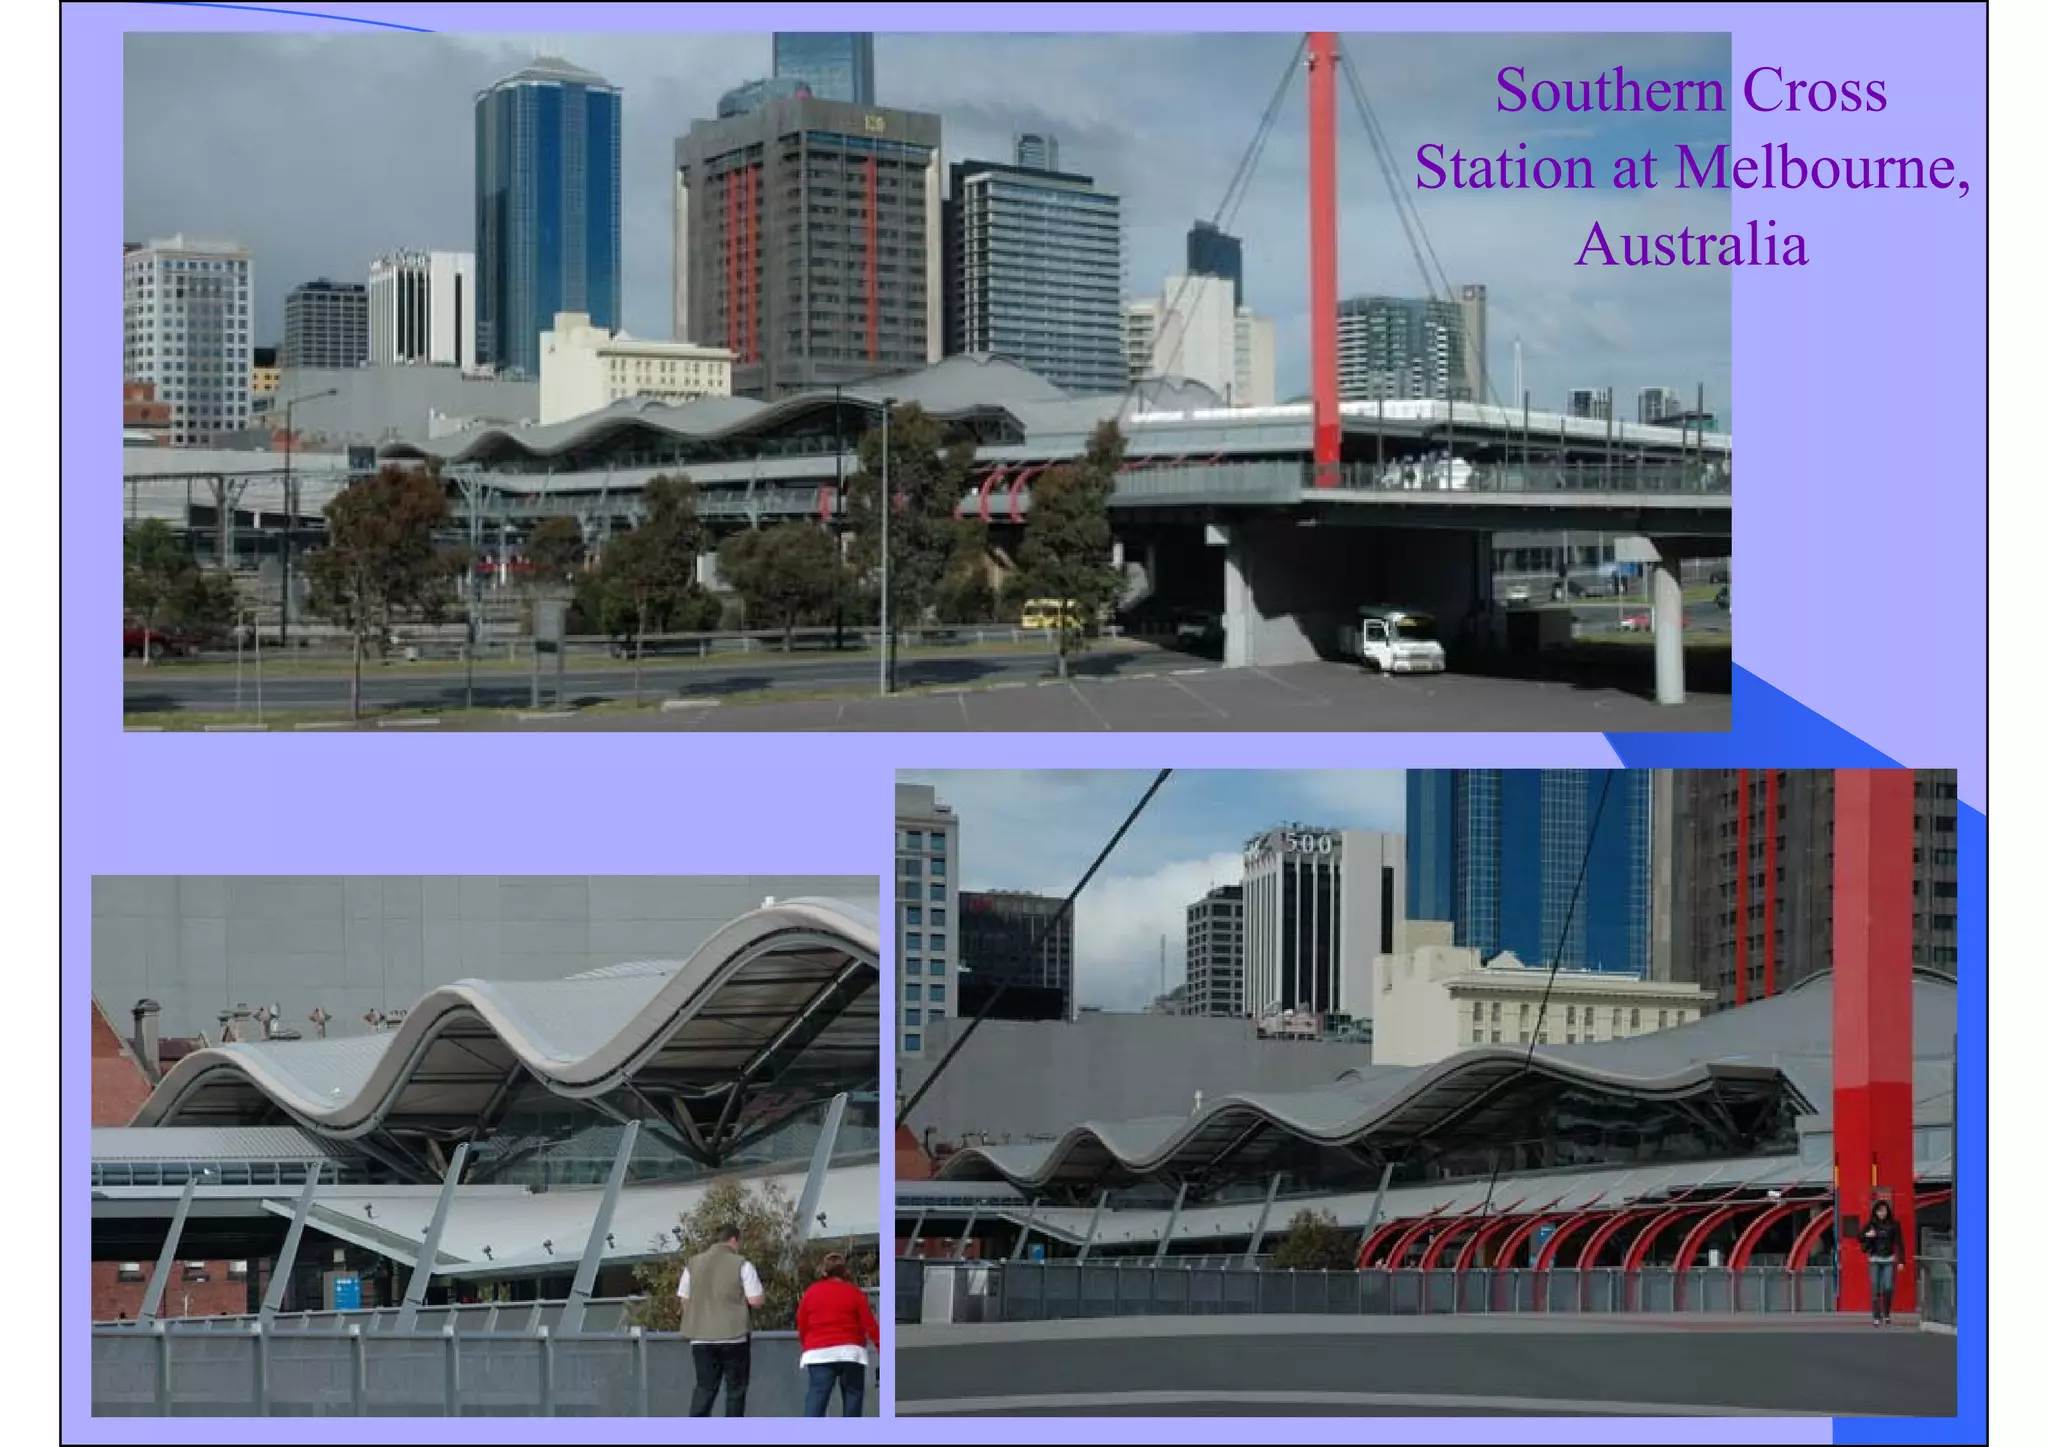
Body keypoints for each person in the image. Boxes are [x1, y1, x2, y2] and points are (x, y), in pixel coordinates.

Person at [678, 1223, 765, 1416]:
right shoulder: (742, 1264)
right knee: (735, 1389)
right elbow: (756, 1300)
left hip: (700, 1337)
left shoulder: (693, 1264)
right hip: (734, 1336)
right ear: (734, 1240)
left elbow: (684, 1299)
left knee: (704, 1387)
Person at [796, 1253, 881, 1418]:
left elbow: (802, 1323)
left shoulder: (811, 1293)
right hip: (851, 1351)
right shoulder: (854, 1292)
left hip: (819, 1351)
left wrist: (807, 1345)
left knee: (816, 1396)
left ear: (824, 1271)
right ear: (845, 1271)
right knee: (853, 1396)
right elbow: (869, 1324)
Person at [1858, 1198, 1904, 1326]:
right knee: (1875, 1289)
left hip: (1889, 1259)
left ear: (1888, 1211)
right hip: (1874, 1260)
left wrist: (1901, 1261)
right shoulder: (1870, 1224)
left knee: (1888, 1287)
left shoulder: (1894, 1224)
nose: (1881, 1213)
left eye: (1884, 1210)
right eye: (1879, 1211)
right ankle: (1876, 1316)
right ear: (1875, 1212)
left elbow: (1899, 1243)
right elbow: (1859, 1237)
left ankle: (1886, 1313)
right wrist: (1867, 1235)